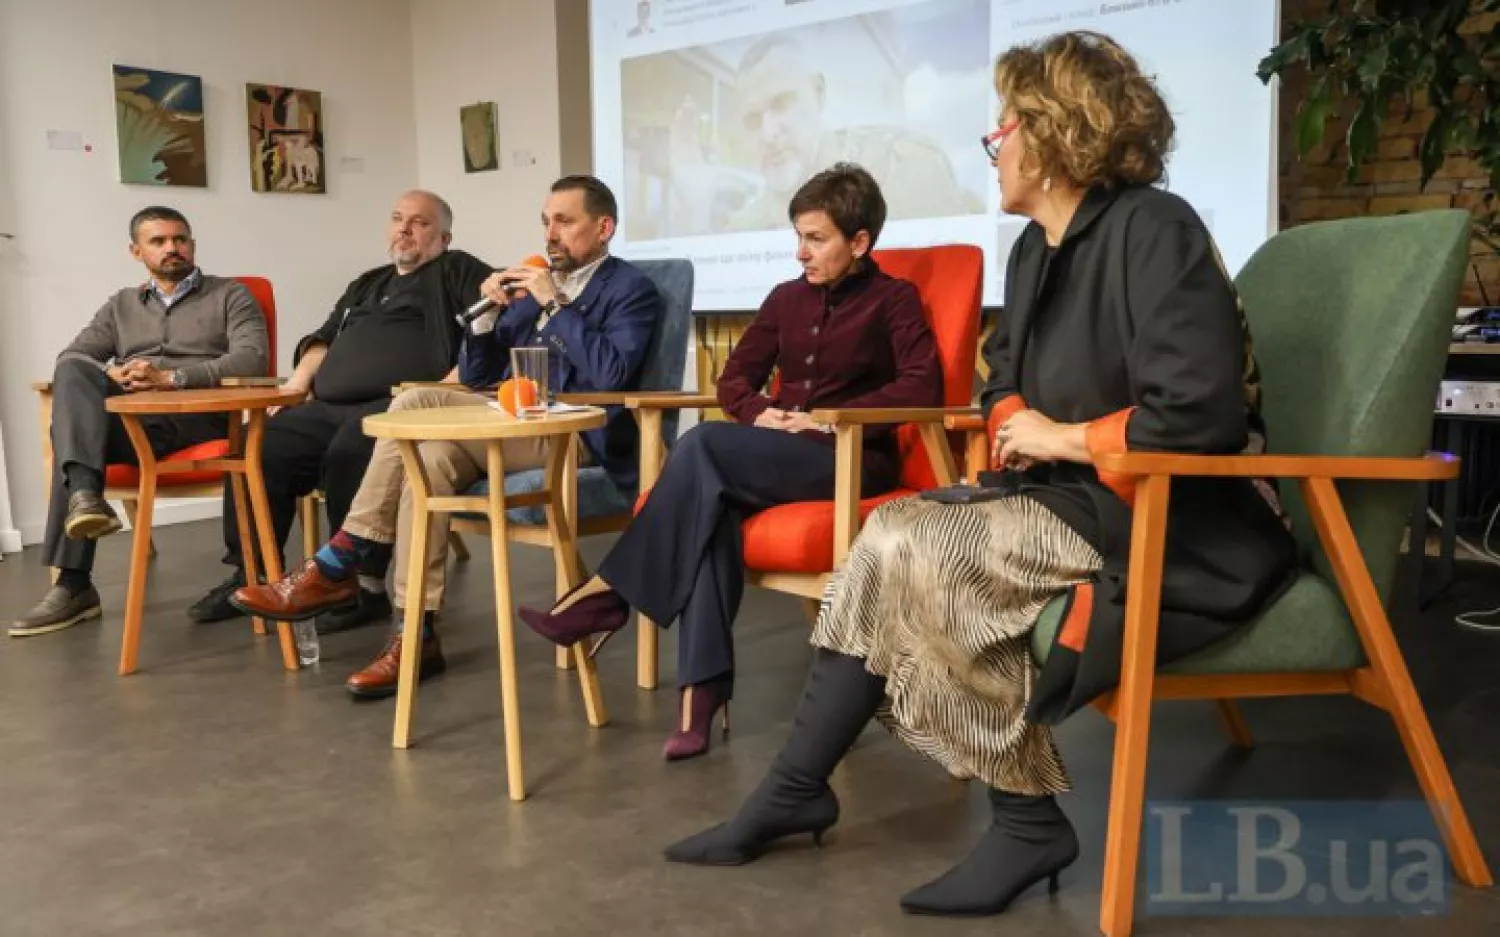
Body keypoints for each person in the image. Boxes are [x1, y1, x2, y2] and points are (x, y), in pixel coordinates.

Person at [656, 32, 1299, 918]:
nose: (994, 149)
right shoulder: (1035, 249)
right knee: (890, 537)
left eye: (1003, 130)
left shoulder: (1156, 228)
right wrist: (1012, 421)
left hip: (1165, 511)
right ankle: (802, 786)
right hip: (1064, 495)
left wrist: (1058, 434)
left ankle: (1016, 822)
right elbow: (1002, 385)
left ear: (1055, 129)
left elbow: (1200, 415)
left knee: (921, 550)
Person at [518, 163, 944, 760]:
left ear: (860, 242)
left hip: (849, 461)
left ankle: (610, 595)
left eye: (816, 239)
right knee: (710, 505)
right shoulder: (786, 298)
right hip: (778, 451)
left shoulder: (893, 301)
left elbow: (925, 387)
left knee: (703, 446)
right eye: (798, 236)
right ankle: (701, 694)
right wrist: (762, 411)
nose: (801, 252)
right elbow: (735, 380)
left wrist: (825, 417)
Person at [230, 176, 663, 699]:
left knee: (416, 421)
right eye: (546, 221)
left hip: (573, 435)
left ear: (604, 228)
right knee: (423, 452)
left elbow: (609, 376)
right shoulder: (531, 287)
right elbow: (476, 370)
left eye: (564, 222)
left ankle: (342, 557)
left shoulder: (629, 289)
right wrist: (482, 321)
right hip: (509, 420)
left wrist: (556, 308)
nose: (551, 233)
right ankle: (415, 633)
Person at [187, 190, 493, 631]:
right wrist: (294, 386)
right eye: (397, 217)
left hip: (399, 402)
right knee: (260, 445)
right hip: (327, 403)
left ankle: (360, 585)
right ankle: (251, 571)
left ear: (444, 236)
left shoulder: (457, 268)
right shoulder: (368, 282)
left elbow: (490, 323)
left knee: (354, 445)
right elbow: (323, 337)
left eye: (420, 222)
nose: (405, 228)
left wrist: (446, 387)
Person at [11, 207, 269, 637]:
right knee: (74, 375)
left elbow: (252, 359)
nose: (172, 248)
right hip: (134, 423)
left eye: (180, 239)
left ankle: (73, 581)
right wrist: (112, 374)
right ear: (136, 251)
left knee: (70, 439)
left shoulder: (231, 295)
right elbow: (73, 356)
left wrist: (172, 378)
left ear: (192, 245)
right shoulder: (121, 305)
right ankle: (86, 503)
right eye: (159, 241)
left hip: (196, 420)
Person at [664, 35, 981, 236]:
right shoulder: (747, 222)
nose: (769, 133)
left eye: (782, 104)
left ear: (818, 93)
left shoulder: (902, 164)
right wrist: (695, 207)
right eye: (752, 119)